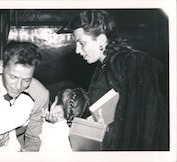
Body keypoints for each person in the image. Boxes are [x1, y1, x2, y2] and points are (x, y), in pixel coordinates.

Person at [55, 10, 168, 150]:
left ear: (102, 40)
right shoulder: (105, 66)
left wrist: (109, 130)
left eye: (81, 43)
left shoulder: (128, 62)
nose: (78, 50)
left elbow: (140, 124)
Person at [39, 87, 89, 152]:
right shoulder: (80, 134)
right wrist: (47, 124)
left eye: (54, 101)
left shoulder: (53, 137)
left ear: (57, 111)